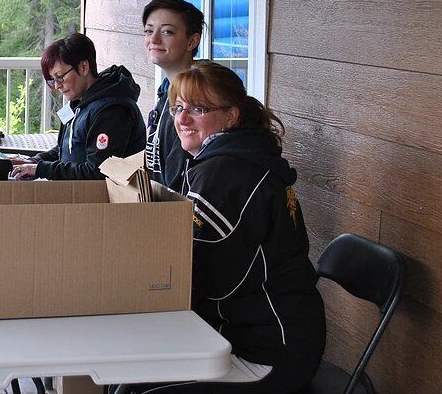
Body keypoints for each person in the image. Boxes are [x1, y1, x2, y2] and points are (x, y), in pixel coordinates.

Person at [117, 61, 325, 394]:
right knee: (130, 369)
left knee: (135, 384)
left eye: (198, 109)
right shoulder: (230, 157)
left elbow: (205, 278)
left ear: (230, 115)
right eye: (178, 108)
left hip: (266, 351)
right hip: (248, 331)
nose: (182, 119)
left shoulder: (226, 172)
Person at [10, 32, 146, 180]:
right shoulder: (78, 104)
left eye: (60, 77)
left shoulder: (112, 110)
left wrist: (41, 169)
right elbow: (66, 150)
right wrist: (34, 161)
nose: (57, 86)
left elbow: (96, 172)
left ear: (83, 67)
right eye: (52, 80)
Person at [142, 0, 203, 191]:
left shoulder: (199, 100)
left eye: (167, 31)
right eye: (149, 30)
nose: (154, 39)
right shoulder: (167, 90)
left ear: (192, 41)